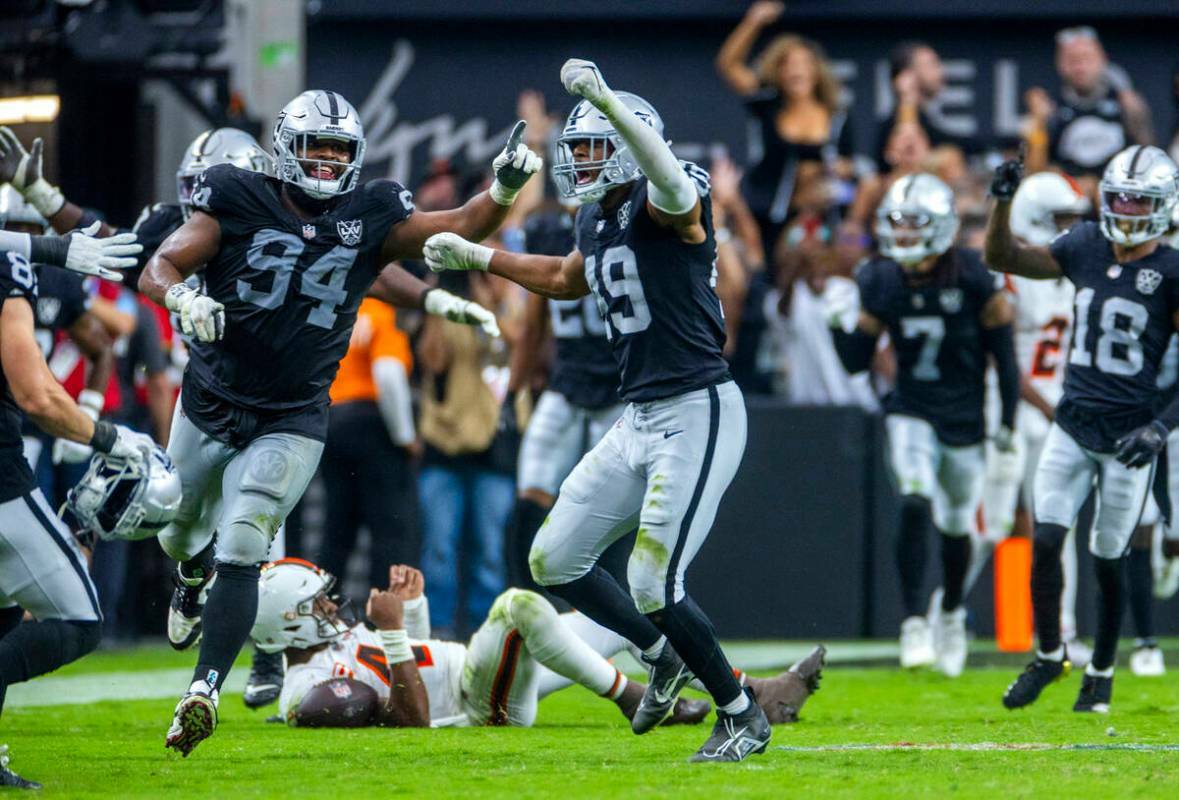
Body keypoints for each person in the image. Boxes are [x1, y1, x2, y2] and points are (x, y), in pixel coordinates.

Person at [137, 89, 537, 756]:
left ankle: (202, 690)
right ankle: (186, 578)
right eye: (315, 146)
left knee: (243, 540)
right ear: (284, 149)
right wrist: (179, 296)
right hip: (210, 398)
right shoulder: (239, 194)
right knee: (180, 535)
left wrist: (504, 186)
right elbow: (163, 263)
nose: (326, 159)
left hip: (292, 413)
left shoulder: (370, 210)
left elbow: (460, 225)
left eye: (339, 149)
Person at [424, 58, 772, 762]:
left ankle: (740, 713)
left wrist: (606, 100)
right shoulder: (596, 217)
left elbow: (672, 185)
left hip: (697, 405)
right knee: (554, 557)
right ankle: (659, 655)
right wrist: (478, 255)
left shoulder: (665, 195)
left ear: (629, 140)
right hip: (638, 413)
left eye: (592, 145)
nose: (579, 160)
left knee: (652, 579)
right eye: (575, 147)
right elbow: (561, 277)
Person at [985, 145, 1179, 714]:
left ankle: (1101, 672)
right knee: (1045, 541)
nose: (1125, 208)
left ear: (1164, 205)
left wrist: (1161, 429)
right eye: (1118, 196)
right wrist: (1000, 202)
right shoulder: (1087, 243)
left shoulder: (1171, 270)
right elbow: (1005, 256)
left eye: (1138, 200)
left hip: (1128, 436)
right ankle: (1050, 656)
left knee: (1108, 558)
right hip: (1072, 422)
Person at [825, 173, 1020, 677]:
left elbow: (1004, 354)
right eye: (897, 224)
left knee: (957, 525)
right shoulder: (882, 278)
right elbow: (855, 362)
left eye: (914, 225)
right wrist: (835, 324)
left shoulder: (974, 274)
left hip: (964, 416)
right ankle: (913, 622)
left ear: (941, 228)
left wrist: (1009, 421)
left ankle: (951, 612)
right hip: (911, 407)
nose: (904, 234)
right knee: (914, 496)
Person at [252, 560, 823, 730]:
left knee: (614, 615)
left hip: (477, 673)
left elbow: (413, 667)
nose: (332, 609)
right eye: (317, 606)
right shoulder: (314, 693)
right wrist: (397, 631)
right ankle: (631, 696)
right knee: (519, 607)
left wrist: (412, 613)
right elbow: (412, 723)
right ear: (285, 623)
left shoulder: (338, 650)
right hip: (484, 706)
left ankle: (754, 693)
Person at [0, 225, 146, 789]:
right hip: (1, 475)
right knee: (79, 617)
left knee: (4, 613)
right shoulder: (11, 272)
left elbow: (98, 340)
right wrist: (107, 435)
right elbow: (34, 393)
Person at [966, 172, 1093, 666]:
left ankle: (1061, 631)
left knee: (1058, 522)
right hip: (1011, 412)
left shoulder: (1078, 272)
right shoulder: (1012, 273)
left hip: (1059, 414)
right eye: (1062, 219)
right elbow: (1001, 356)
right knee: (990, 523)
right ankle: (947, 614)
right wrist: (1047, 403)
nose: (1072, 229)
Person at [503, 205, 622, 592]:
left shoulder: (626, 223)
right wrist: (513, 389)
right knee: (532, 493)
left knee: (612, 510)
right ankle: (528, 605)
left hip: (622, 390)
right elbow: (533, 324)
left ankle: (606, 615)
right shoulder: (549, 231)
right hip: (567, 385)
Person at [715, 1, 856, 264]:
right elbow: (728, 65)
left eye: (803, 63)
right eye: (787, 64)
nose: (796, 70)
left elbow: (850, 163)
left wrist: (836, 169)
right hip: (768, 212)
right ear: (777, 71)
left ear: (816, 70)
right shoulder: (767, 104)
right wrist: (754, 20)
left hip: (823, 216)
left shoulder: (837, 116)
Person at [415, 270, 515, 638]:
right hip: (445, 448)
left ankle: (484, 631)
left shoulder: (506, 311)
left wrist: (489, 297)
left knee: (489, 551)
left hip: (495, 450)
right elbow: (432, 360)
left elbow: (516, 345)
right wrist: (436, 298)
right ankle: (439, 628)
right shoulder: (445, 313)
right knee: (439, 547)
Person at [317, 297, 418, 592]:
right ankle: (383, 620)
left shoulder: (334, 312)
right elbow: (388, 375)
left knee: (336, 529)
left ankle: (323, 612)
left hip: (331, 422)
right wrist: (406, 437)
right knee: (388, 530)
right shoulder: (382, 315)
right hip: (373, 426)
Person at [1024, 27, 1153, 183]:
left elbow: (1147, 159)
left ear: (1103, 60)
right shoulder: (1050, 108)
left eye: (1087, 58)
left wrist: (1137, 114)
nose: (1081, 67)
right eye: (1073, 60)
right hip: (1068, 195)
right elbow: (1034, 175)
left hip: (1118, 193)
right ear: (1060, 65)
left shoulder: (1125, 103)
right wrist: (1038, 124)